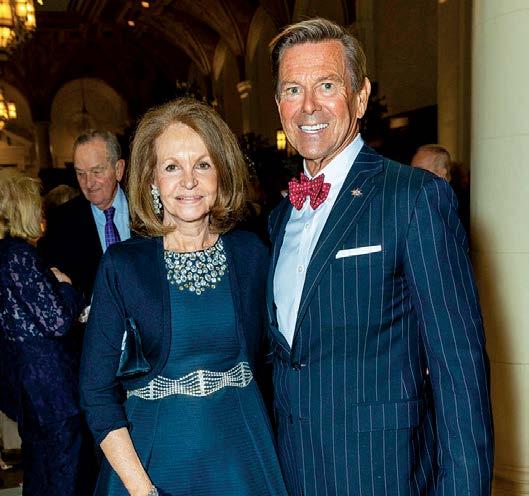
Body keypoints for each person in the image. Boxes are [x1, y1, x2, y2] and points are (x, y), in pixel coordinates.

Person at [267, 18, 493, 495]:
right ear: (279, 104)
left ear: (360, 96)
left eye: (327, 85)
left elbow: (459, 369)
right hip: (294, 475)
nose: (308, 106)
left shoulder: (413, 199)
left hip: (385, 475)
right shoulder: (279, 218)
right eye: (293, 89)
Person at [80, 98, 288, 496]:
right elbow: (96, 392)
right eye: (172, 167)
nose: (188, 181)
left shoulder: (251, 254)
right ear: (151, 179)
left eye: (203, 165)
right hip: (152, 466)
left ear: (221, 173)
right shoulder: (124, 267)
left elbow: (273, 358)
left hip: (242, 460)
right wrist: (142, 489)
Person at [0, 172, 93, 495]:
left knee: (40, 474)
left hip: (28, 390)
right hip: (51, 391)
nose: (43, 212)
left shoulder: (5, 254)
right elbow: (57, 321)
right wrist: (66, 286)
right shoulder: (20, 256)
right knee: (65, 475)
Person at [39, 130, 130, 301]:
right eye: (80, 173)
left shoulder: (147, 210)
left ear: (118, 169)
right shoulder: (62, 221)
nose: (88, 183)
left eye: (97, 171)